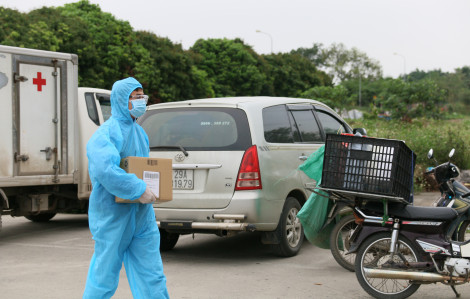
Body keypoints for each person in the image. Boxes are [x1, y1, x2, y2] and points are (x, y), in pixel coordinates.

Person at [83, 77, 169, 299]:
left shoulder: (140, 133)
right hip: (112, 216)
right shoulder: (106, 134)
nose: (141, 101)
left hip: (142, 216)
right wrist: (138, 188)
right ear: (122, 99)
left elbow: (141, 167)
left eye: (143, 96)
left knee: (152, 274)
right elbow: (106, 171)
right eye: (136, 97)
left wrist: (149, 188)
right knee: (103, 276)